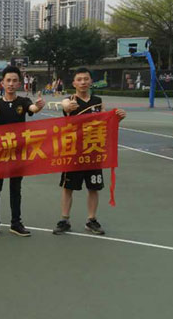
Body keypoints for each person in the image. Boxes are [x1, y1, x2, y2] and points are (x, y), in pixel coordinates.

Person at [53, 67, 126, 236]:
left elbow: (106, 124)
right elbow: (65, 106)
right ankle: (64, 220)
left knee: (93, 187)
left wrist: (118, 119)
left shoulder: (98, 102)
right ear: (74, 83)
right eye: (79, 79)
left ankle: (91, 220)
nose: (83, 82)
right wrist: (67, 106)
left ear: (91, 81)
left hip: (93, 151)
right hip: (73, 152)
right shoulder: (70, 100)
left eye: (86, 79)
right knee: (68, 187)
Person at [0, 66, 45, 237]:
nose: (11, 84)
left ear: (19, 83)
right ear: (2, 83)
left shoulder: (23, 102)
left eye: (14, 80)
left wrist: (38, 106)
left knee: (15, 189)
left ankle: (16, 223)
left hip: (18, 153)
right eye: (8, 80)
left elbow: (33, 109)